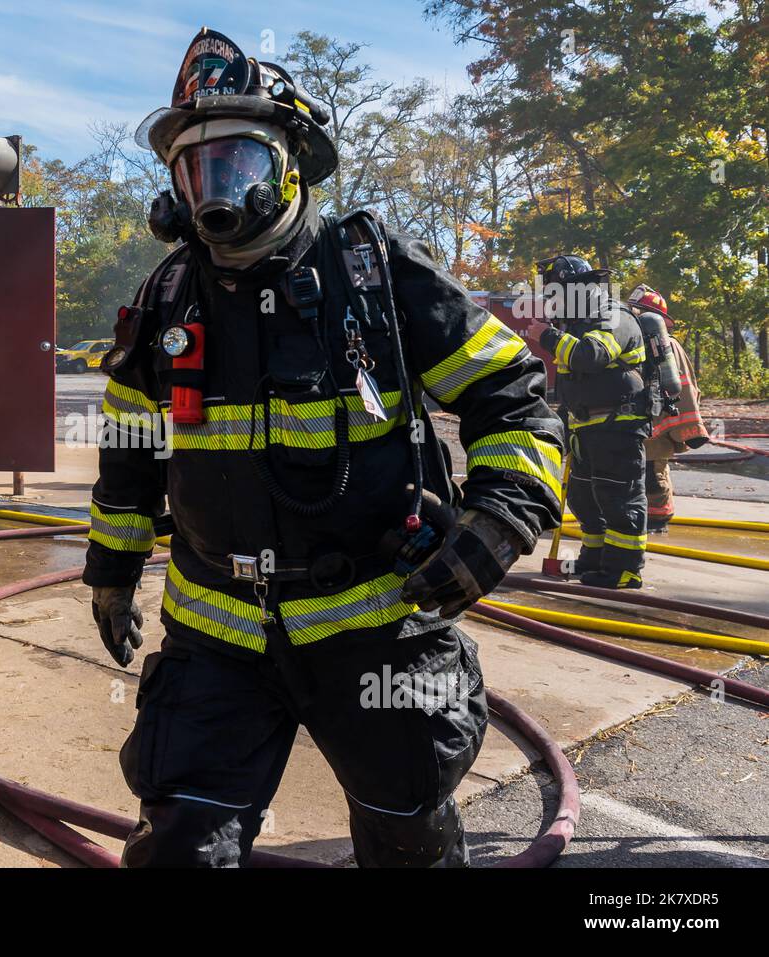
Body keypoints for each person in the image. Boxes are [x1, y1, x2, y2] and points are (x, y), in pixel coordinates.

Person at [83, 28, 564, 868]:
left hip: (378, 630)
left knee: (407, 834)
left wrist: (499, 520)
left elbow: (512, 395)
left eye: (238, 164)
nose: (214, 194)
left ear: (293, 163)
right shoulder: (165, 298)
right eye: (196, 170)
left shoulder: (374, 274)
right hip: (217, 636)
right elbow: (127, 452)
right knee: (179, 848)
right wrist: (111, 574)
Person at [532, 256, 649, 588]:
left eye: (558, 293)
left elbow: (590, 356)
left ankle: (624, 569)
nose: (553, 301)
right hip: (584, 428)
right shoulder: (581, 323)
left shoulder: (614, 316)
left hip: (618, 425)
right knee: (584, 498)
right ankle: (594, 559)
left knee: (618, 497)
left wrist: (549, 337)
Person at [628, 285, 708, 532]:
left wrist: (692, 429)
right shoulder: (632, 342)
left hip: (660, 423)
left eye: (639, 312)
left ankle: (658, 522)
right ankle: (640, 520)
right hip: (638, 422)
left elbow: (684, 388)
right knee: (637, 474)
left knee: (654, 474)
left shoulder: (667, 346)